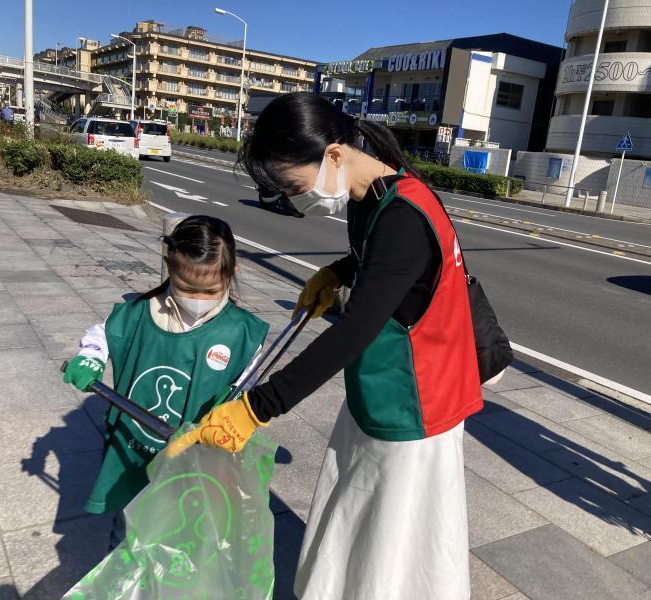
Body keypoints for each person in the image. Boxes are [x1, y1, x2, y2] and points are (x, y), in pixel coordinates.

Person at [169, 93, 482, 599]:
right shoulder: (376, 196)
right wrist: (339, 270)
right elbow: (379, 263)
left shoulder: (402, 212)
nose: (297, 200)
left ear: (333, 154)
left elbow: (354, 329)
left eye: (295, 184)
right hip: (386, 383)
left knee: (396, 536)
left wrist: (256, 408)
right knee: (356, 503)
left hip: (418, 402)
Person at [62, 215, 269, 549]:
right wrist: (91, 356)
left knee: (186, 530)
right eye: (186, 287)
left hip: (197, 455)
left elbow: (249, 381)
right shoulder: (140, 313)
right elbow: (105, 332)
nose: (198, 299)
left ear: (233, 274)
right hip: (135, 447)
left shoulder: (243, 332)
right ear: (168, 268)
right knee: (128, 531)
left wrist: (235, 403)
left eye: (211, 290)